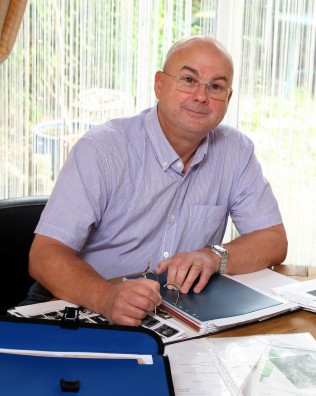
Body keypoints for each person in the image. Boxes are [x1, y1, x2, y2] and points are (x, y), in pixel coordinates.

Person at [23, 36, 288, 326]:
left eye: (215, 86)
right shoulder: (102, 150)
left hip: (168, 309)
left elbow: (273, 240)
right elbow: (44, 256)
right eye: (189, 79)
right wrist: (106, 297)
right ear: (159, 84)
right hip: (78, 302)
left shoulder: (235, 151)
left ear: (228, 97)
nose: (201, 96)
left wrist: (213, 257)